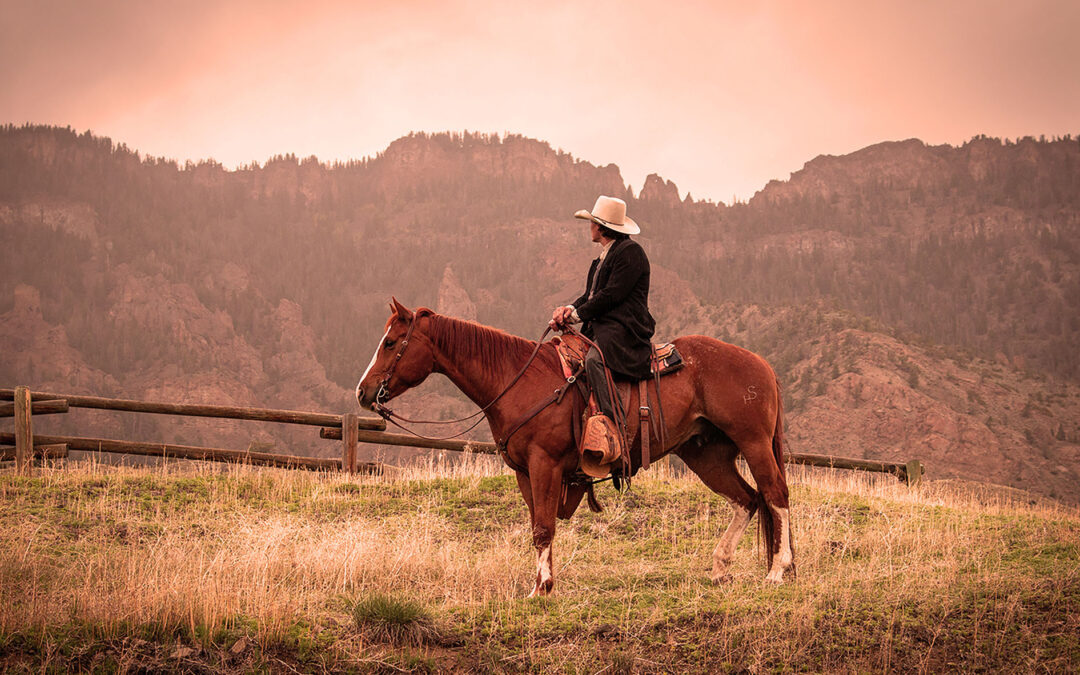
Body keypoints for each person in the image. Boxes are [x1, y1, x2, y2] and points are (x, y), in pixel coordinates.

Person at [550, 195, 656, 427]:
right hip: (604, 327)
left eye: (592, 222)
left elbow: (611, 295)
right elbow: (590, 296)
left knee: (594, 361)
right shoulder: (602, 259)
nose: (590, 226)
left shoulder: (630, 253)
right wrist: (568, 309)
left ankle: (616, 422)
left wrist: (577, 316)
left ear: (600, 226)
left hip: (625, 329)